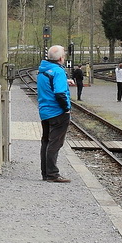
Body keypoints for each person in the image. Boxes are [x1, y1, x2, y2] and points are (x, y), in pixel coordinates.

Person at [36, 45, 72, 182]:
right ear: (61, 58)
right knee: (55, 143)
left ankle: (45, 173)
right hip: (58, 112)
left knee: (46, 142)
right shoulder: (58, 71)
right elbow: (60, 93)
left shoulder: (42, 70)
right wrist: (66, 108)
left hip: (45, 111)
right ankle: (53, 174)